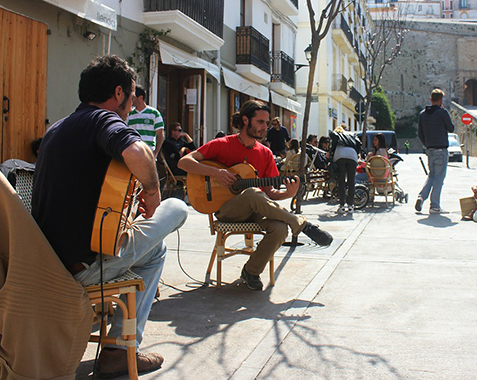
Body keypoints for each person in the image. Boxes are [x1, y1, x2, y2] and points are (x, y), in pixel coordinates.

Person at [31, 55, 188, 377]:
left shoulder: (58, 127)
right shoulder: (102, 120)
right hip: (86, 267)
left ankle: (120, 347)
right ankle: (121, 349)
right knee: (178, 209)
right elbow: (138, 151)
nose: (131, 105)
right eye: (131, 98)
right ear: (119, 93)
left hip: (49, 263)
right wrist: (152, 194)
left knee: (154, 251)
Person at [178, 100, 332, 291]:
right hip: (226, 210)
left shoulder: (265, 153)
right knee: (252, 193)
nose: (264, 127)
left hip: (255, 210)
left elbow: (269, 194)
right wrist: (215, 173)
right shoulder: (223, 144)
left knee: (280, 228)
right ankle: (301, 223)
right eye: (260, 122)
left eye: (266, 123)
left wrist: (288, 193)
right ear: (245, 120)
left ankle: (251, 271)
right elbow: (184, 162)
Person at [415, 88, 454, 214]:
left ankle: (422, 196)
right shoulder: (442, 113)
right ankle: (435, 205)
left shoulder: (422, 114)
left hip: (430, 149)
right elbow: (451, 128)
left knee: (431, 175)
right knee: (439, 178)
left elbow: (420, 133)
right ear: (441, 100)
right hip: (441, 149)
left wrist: (427, 144)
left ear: (431, 99)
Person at [330, 124, 362, 214]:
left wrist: (331, 153)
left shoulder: (337, 133)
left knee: (341, 181)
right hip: (352, 155)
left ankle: (342, 206)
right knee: (351, 181)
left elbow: (333, 143)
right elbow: (359, 143)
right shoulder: (352, 134)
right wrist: (358, 153)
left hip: (340, 155)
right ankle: (351, 206)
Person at [127, 85, 164, 159]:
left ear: (140, 98)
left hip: (148, 154)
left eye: (133, 98)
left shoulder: (154, 113)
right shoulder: (129, 114)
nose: (131, 100)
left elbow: (160, 134)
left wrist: (155, 153)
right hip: (133, 153)